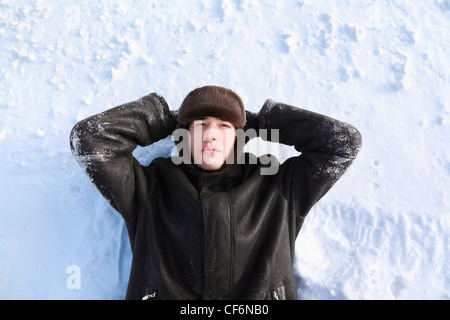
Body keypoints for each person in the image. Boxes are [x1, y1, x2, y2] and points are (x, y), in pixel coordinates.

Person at [70, 85, 362, 300]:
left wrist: (262, 121)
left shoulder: (277, 186)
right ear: (183, 135)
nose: (211, 134)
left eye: (224, 126)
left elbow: (343, 144)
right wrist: (166, 117)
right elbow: (90, 140)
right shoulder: (148, 188)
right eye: (201, 125)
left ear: (239, 136)